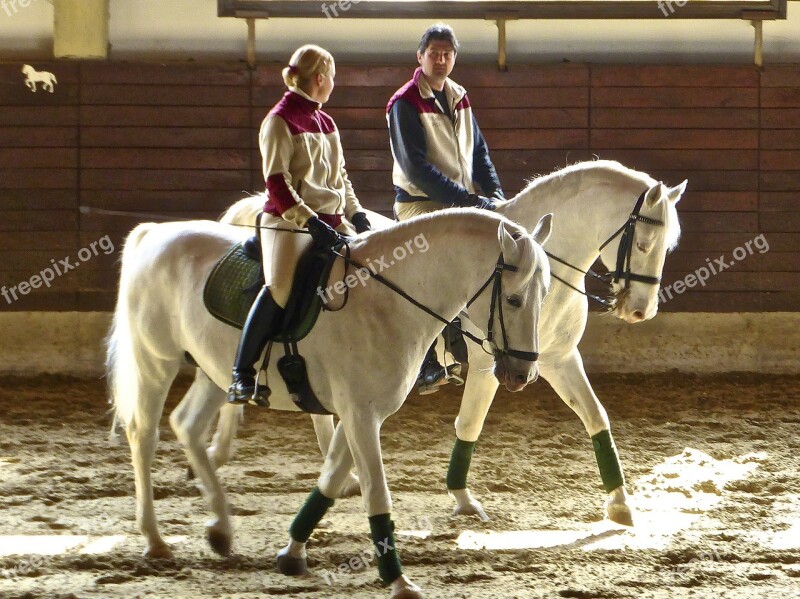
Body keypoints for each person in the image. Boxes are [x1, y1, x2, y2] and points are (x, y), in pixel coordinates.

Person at [227, 44, 371, 406]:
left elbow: (341, 179)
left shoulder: (327, 123)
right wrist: (309, 221)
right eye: (333, 77)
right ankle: (242, 373)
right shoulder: (279, 120)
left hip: (332, 222)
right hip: (285, 222)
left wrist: (358, 214)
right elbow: (277, 183)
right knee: (280, 288)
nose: (333, 83)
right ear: (321, 78)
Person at [387, 23, 505, 394]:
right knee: (441, 260)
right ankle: (427, 359)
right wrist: (470, 200)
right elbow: (416, 170)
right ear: (419, 57)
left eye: (447, 54)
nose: (440, 59)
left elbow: (479, 153)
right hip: (420, 204)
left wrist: (497, 195)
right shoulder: (404, 102)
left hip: (462, 201)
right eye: (433, 53)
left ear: (454, 58)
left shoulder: (459, 97)